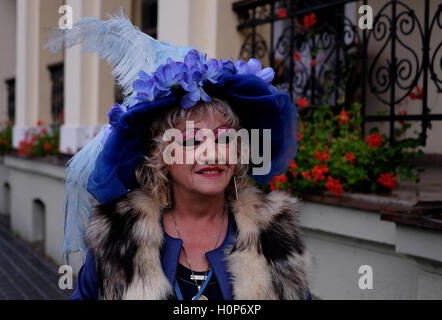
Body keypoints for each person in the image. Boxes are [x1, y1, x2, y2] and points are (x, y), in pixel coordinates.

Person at [46, 9, 310, 300]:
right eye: (191, 141)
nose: (211, 154)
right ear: (159, 156)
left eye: (224, 138)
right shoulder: (118, 236)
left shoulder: (273, 233)